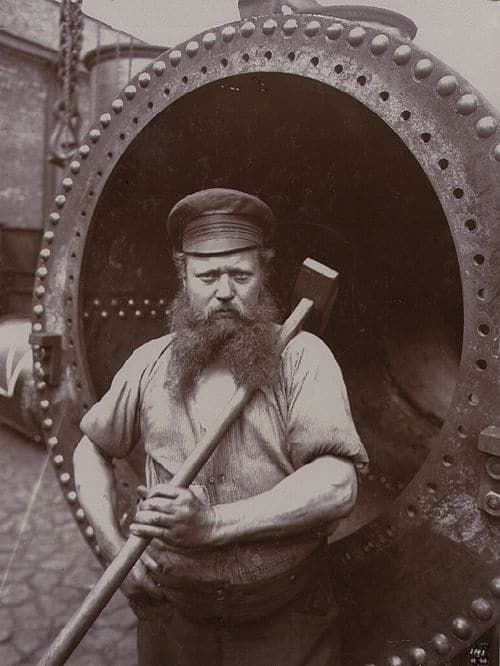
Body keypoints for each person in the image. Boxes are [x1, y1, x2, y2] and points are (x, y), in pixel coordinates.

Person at [73, 188, 368, 666]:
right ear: (183, 277)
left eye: (241, 275)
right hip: (174, 624)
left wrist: (211, 525)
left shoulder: (301, 358)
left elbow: (338, 484)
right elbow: (91, 449)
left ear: (264, 275)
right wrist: (113, 548)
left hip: (285, 622)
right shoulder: (148, 363)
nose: (224, 292)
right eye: (207, 276)